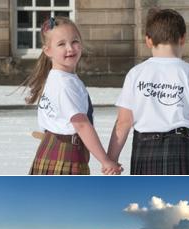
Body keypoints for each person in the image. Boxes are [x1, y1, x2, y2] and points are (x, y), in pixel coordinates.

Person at [107, 8, 189, 175]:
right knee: (184, 198)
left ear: (148, 40)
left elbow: (123, 122)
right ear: (183, 38)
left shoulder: (136, 74)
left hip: (144, 149)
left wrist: (111, 160)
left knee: (144, 199)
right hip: (182, 148)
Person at [24, 16, 121, 175]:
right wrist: (105, 160)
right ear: (48, 50)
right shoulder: (64, 84)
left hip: (53, 148)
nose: (70, 48)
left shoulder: (58, 78)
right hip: (65, 153)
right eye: (61, 44)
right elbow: (81, 125)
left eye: (75, 41)